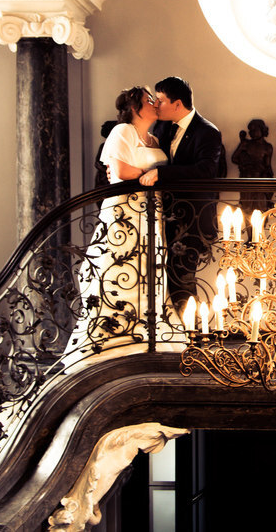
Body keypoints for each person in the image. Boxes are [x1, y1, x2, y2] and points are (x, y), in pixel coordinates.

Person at [66, 86, 167, 360]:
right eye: (149, 100)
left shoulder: (154, 139)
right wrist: (151, 174)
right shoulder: (123, 131)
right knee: (121, 267)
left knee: (148, 268)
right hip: (126, 210)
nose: (155, 103)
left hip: (151, 210)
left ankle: (146, 332)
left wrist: (155, 175)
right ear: (135, 108)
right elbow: (120, 170)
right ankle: (114, 338)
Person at [141, 76, 224, 311]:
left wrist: (162, 174)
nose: (156, 105)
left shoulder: (207, 132)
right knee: (160, 278)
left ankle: (189, 328)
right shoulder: (162, 127)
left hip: (191, 219)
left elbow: (206, 170)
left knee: (182, 279)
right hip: (162, 215)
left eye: (160, 101)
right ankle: (170, 327)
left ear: (177, 104)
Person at [231, 118, 273, 213]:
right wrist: (245, 165)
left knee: (261, 208)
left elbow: (268, 166)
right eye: (250, 131)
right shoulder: (246, 144)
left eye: (255, 130)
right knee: (247, 208)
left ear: (262, 130)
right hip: (247, 179)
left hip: (260, 180)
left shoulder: (267, 147)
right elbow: (234, 158)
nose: (252, 133)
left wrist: (267, 179)